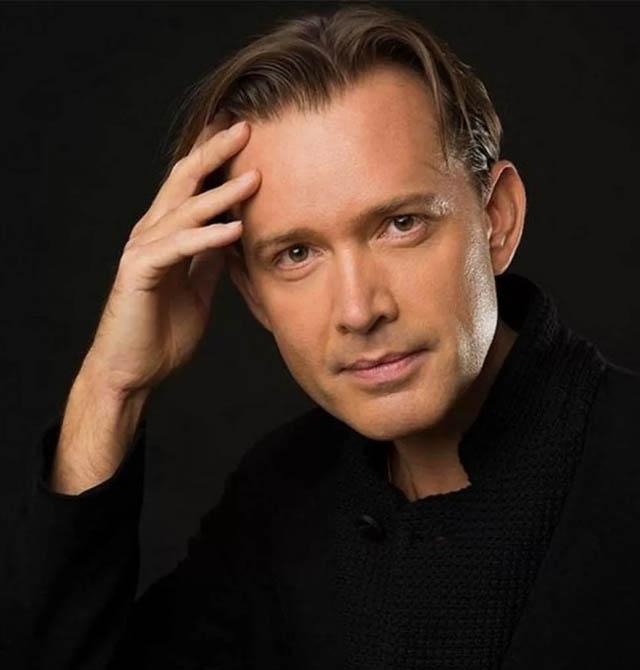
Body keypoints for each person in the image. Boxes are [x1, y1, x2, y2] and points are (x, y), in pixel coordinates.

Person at [3, 3, 639, 669]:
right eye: (296, 254)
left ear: (497, 219)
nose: (359, 310)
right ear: (253, 293)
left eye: (401, 224)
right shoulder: (280, 503)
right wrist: (112, 386)